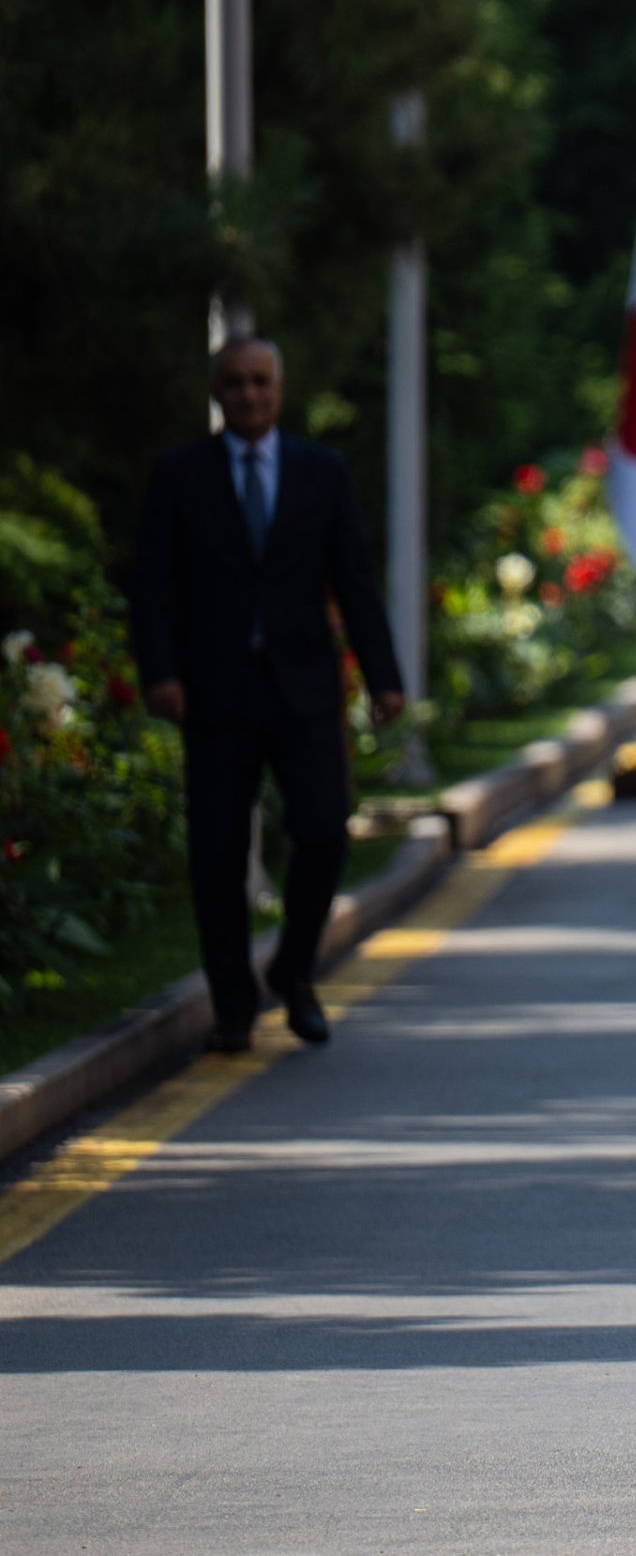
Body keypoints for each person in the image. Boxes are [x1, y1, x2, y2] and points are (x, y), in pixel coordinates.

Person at [131, 337, 403, 1053]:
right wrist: (160, 673)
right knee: (217, 853)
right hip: (214, 693)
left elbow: (354, 580)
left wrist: (384, 677)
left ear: (280, 389)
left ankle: (294, 969)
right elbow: (151, 584)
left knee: (324, 829)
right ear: (216, 392)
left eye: (260, 382)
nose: (248, 395)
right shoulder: (180, 475)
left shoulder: (322, 471)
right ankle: (232, 1006)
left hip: (302, 689)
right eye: (234, 383)